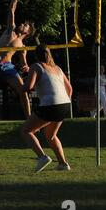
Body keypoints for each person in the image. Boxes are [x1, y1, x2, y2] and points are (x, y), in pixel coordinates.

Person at [21, 44, 72, 172]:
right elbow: (70, 89)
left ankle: (42, 157)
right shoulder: (58, 68)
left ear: (36, 55)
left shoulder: (36, 66)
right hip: (65, 104)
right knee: (51, 135)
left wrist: (20, 86)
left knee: (26, 131)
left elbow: (29, 87)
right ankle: (63, 164)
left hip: (51, 104)